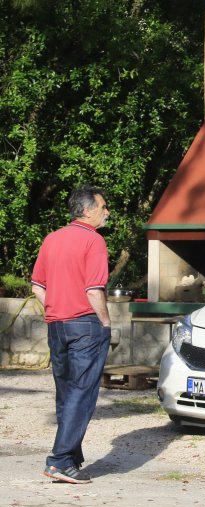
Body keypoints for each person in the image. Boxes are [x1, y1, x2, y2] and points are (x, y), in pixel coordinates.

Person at [31, 185, 112, 484]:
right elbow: (94, 290)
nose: (107, 212)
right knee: (82, 392)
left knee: (67, 394)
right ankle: (60, 460)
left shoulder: (52, 239)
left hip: (57, 325)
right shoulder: (94, 241)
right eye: (103, 207)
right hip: (85, 325)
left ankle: (70, 458)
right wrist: (105, 323)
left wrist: (56, 306)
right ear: (87, 210)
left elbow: (37, 287)